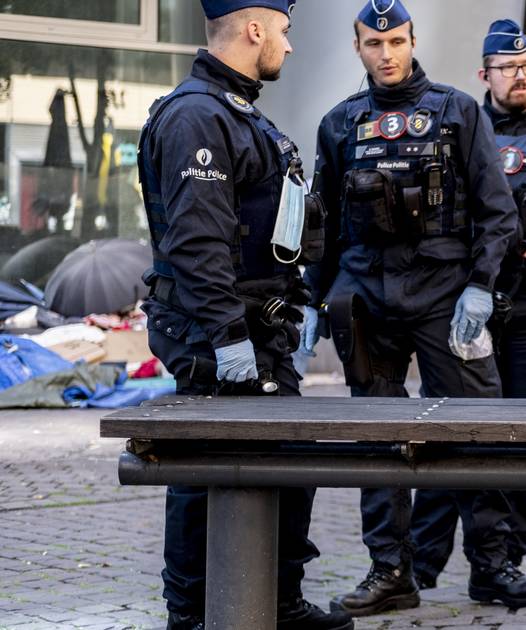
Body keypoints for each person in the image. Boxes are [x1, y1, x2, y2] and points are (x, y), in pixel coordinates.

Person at [301, 0, 526, 616]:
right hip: (367, 298)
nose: (386, 55)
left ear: (412, 40)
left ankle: (492, 566)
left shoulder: (458, 112)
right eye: (372, 44)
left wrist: (480, 286)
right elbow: (323, 225)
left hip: (446, 296)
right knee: (378, 438)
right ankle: (390, 571)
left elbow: (498, 214)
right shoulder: (339, 124)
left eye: (396, 42)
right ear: (357, 47)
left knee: (477, 427)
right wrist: (311, 299)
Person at [137, 1, 351, 628]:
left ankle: (275, 600)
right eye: (284, 30)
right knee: (208, 474)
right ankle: (195, 615)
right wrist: (230, 337)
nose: (289, 45)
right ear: (254, 29)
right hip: (222, 337)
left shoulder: (232, 110)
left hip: (257, 331)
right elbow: (199, 242)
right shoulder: (198, 116)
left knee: (278, 465)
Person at [408, 18, 526, 590]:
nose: (520, 77)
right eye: (508, 69)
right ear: (483, 74)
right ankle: (420, 563)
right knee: (449, 427)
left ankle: (502, 562)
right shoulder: (457, 128)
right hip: (466, 305)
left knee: (520, 431)